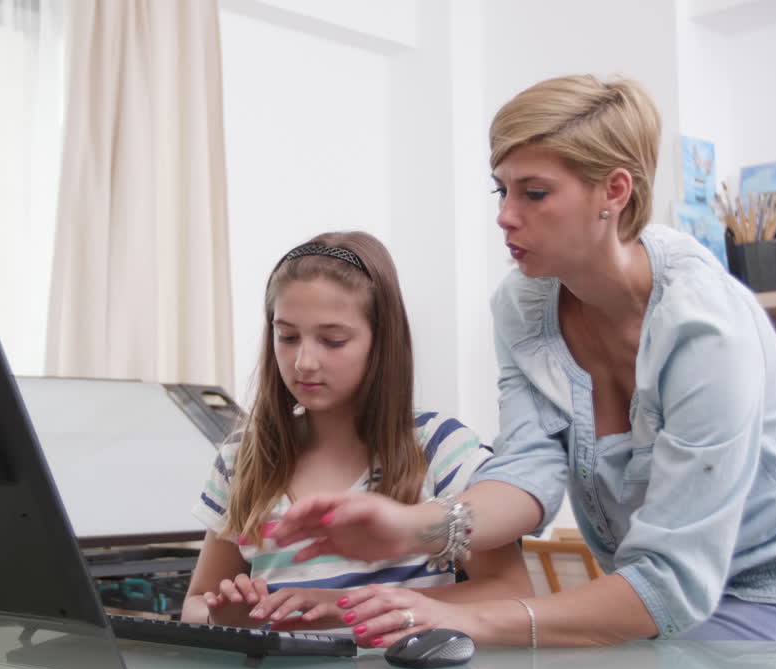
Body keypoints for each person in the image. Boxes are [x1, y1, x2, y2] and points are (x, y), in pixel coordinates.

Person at [270, 76, 776, 647]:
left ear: (614, 191)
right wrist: (412, 528)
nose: (505, 215)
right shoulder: (523, 306)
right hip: (656, 585)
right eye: (501, 189)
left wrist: (470, 616)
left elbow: (671, 582)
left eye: (534, 193)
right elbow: (527, 471)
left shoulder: (703, 328)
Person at [180, 231, 532, 635]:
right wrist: (224, 618)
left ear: (381, 342)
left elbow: (511, 592)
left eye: (333, 340)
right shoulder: (241, 458)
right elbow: (195, 603)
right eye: (287, 337)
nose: (304, 362)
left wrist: (344, 607)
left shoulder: (440, 447)